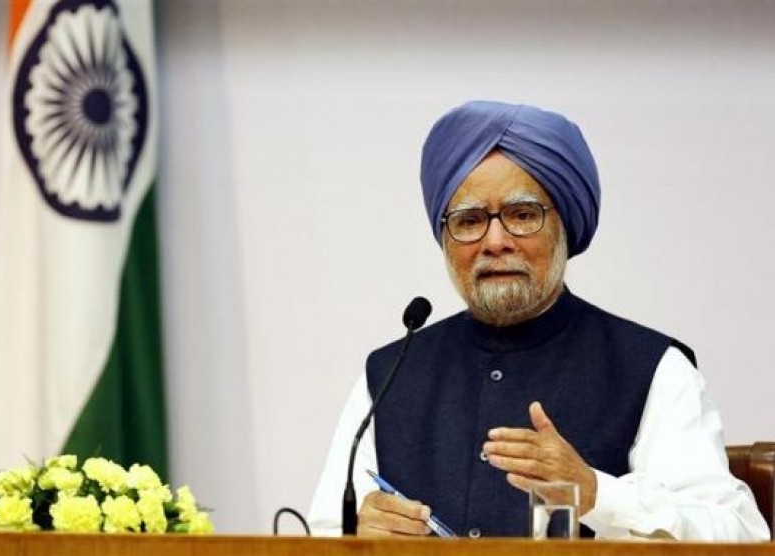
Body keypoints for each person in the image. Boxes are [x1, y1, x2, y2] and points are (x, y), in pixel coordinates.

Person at [308, 100, 770, 541]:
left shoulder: (652, 368)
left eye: (522, 214)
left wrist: (596, 493)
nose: (494, 241)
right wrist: (356, 539)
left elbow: (739, 535)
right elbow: (323, 534)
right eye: (469, 220)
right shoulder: (389, 374)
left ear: (565, 226)